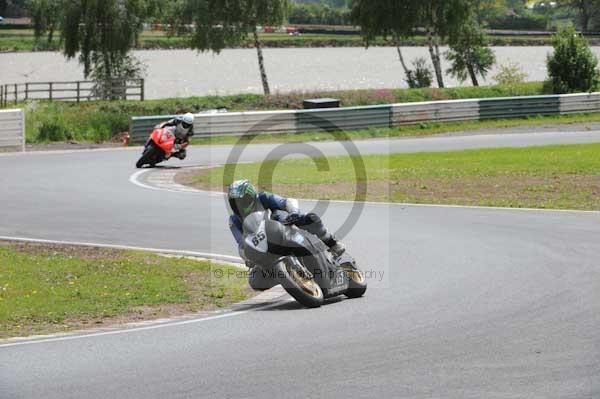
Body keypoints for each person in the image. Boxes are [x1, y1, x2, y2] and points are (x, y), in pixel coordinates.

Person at [227, 179, 346, 262]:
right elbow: (241, 245)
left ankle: (332, 243)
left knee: (308, 218)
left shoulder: (263, 198)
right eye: (235, 202)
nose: (240, 205)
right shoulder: (234, 221)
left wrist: (294, 212)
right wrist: (247, 257)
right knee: (255, 280)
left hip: (283, 228)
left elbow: (286, 202)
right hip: (265, 248)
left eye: (243, 200)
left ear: (251, 196)